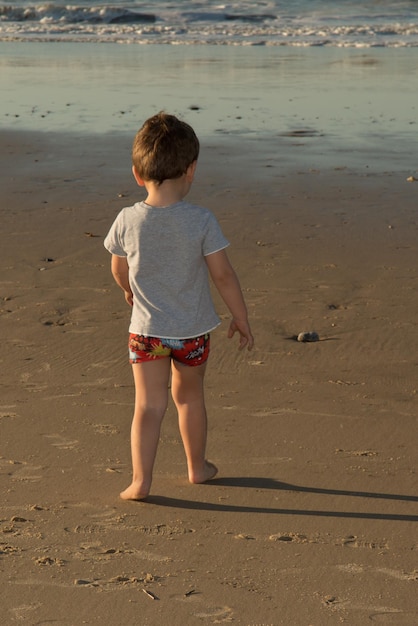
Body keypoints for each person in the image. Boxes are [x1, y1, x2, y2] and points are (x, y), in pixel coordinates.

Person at [104, 112, 254, 501]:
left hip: (146, 333)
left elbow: (119, 267)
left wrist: (128, 291)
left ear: (138, 174)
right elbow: (223, 275)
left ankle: (140, 482)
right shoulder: (201, 220)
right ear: (191, 171)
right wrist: (240, 316)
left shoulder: (127, 219)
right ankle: (197, 467)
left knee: (148, 406)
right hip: (191, 335)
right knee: (189, 398)